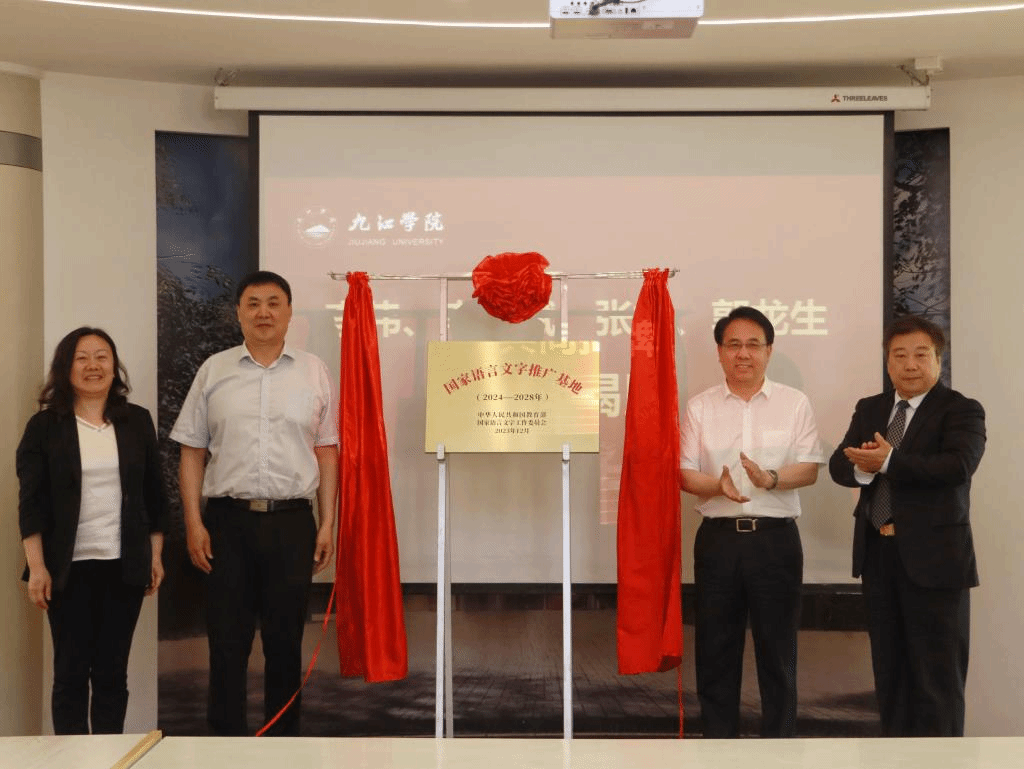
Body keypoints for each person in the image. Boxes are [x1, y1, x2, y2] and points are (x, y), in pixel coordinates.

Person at [170, 270, 338, 736]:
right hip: (228, 524)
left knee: (285, 643)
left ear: (289, 312)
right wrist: (194, 523)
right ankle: (225, 748)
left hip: (292, 524)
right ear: (239, 313)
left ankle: (282, 746)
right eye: (253, 303)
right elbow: (191, 451)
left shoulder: (314, 371)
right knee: (227, 643)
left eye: (273, 303)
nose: (264, 312)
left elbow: (327, 450)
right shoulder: (214, 370)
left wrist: (328, 523)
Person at [829, 315, 985, 737]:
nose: (910, 364)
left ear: (938, 360)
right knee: (890, 675)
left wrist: (889, 462)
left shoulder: (961, 409)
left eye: (920, 354)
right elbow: (840, 465)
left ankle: (942, 763)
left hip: (936, 563)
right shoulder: (871, 408)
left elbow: (957, 466)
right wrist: (863, 469)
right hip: (879, 557)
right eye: (899, 355)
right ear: (888, 362)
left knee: (937, 680)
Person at [679, 306, 823, 738]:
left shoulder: (794, 403)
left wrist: (771, 479)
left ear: (769, 350)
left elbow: (809, 468)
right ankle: (718, 748)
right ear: (720, 352)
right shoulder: (700, 406)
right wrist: (716, 486)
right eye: (734, 345)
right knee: (715, 651)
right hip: (718, 542)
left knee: (778, 653)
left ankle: (779, 750)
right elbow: (684, 473)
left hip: (775, 542)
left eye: (753, 345)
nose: (743, 354)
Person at [17, 327, 167, 734]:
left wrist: (154, 556)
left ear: (114, 367)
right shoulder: (45, 427)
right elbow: (31, 504)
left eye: (102, 356)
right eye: (81, 358)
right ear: (65, 368)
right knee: (69, 674)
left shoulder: (136, 421)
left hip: (124, 566)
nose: (93, 365)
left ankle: (108, 757)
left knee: (112, 675)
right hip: (67, 570)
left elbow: (155, 497)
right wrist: (37, 567)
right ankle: (71, 759)